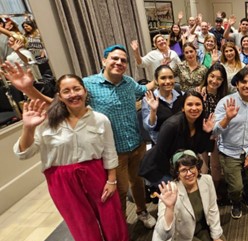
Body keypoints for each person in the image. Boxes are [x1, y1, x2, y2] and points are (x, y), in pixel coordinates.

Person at [6, 44, 158, 228]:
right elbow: (59, 104)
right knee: (120, 190)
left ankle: (142, 211)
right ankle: (121, 224)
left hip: (136, 144)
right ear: (104, 60)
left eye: (123, 60)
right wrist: (29, 90)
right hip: (113, 151)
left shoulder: (129, 83)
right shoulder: (87, 85)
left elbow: (146, 89)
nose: (119, 62)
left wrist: (161, 73)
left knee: (138, 182)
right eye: (114, 58)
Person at [10, 73, 129, 241]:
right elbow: (24, 153)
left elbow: (109, 151)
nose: (73, 94)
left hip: (96, 172)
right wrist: (27, 129)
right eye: (66, 91)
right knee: (80, 222)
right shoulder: (47, 121)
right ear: (59, 96)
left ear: (85, 91)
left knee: (111, 215)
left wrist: (112, 180)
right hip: (60, 179)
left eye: (76, 88)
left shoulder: (100, 119)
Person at [213, 67, 248, 219]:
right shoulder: (226, 102)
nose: (247, 85)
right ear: (237, 84)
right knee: (235, 188)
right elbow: (214, 132)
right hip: (229, 151)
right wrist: (227, 118)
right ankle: (236, 202)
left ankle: (246, 196)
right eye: (243, 82)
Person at [152, 150, 227, 241]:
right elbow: (164, 235)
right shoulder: (169, 192)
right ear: (176, 172)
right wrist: (169, 208)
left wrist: (216, 237)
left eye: (192, 168)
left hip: (201, 227)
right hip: (180, 238)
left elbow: (213, 209)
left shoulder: (206, 180)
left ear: (197, 167)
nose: (189, 173)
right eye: (183, 170)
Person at [139, 91, 214, 185]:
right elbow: (161, 154)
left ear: (202, 107)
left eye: (198, 104)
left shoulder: (200, 123)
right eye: (190, 104)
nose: (194, 108)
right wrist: (177, 175)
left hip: (181, 166)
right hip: (160, 169)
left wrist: (207, 133)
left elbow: (200, 149)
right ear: (183, 108)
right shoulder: (171, 125)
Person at [196, 64, 230, 200]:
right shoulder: (198, 92)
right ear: (207, 76)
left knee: (216, 166)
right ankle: (204, 194)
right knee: (202, 166)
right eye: (212, 76)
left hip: (217, 134)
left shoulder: (224, 97)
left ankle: (214, 192)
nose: (215, 81)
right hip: (201, 133)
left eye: (219, 79)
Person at [142, 65, 183, 144]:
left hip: (181, 143)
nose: (167, 81)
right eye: (163, 78)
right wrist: (153, 111)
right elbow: (148, 127)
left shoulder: (181, 95)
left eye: (171, 77)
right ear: (156, 81)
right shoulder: (149, 99)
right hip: (161, 145)